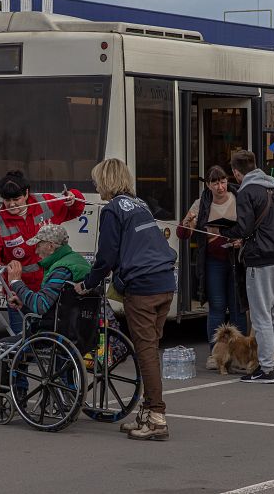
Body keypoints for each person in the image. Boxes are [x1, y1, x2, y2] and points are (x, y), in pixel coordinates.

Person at [75, 158, 176, 441]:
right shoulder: (140, 204)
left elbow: (106, 255)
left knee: (146, 354)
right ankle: (147, 411)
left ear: (105, 181)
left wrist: (87, 283)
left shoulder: (113, 210)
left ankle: (157, 417)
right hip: (165, 280)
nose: (95, 186)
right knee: (150, 349)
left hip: (142, 285)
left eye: (97, 180)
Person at [0, 223, 92, 417]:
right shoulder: (78, 261)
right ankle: (7, 392)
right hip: (81, 330)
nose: (35, 250)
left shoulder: (61, 269)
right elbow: (55, 303)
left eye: (38, 245)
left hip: (57, 333)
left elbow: (41, 305)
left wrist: (16, 282)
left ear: (51, 246)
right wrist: (23, 302)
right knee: (17, 339)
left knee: (5, 346)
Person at [220, 150, 274, 384]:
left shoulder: (247, 192)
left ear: (235, 172)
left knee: (261, 316)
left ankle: (266, 369)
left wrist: (223, 231)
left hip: (260, 259)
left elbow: (243, 227)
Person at [0, 170, 85, 333]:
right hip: (20, 290)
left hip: (50, 287)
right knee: (21, 339)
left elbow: (75, 209)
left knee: (50, 337)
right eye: (7, 200)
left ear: (26, 193)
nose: (12, 204)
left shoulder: (45, 203)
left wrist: (73, 197)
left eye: (16, 199)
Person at [177, 165, 246, 370]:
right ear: (208, 185)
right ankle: (214, 355)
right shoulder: (201, 203)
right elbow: (183, 234)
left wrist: (240, 239)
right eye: (215, 183)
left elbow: (249, 226)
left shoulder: (238, 196)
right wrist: (188, 223)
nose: (220, 187)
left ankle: (239, 356)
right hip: (213, 261)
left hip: (236, 259)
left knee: (237, 308)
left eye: (223, 181)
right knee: (216, 307)